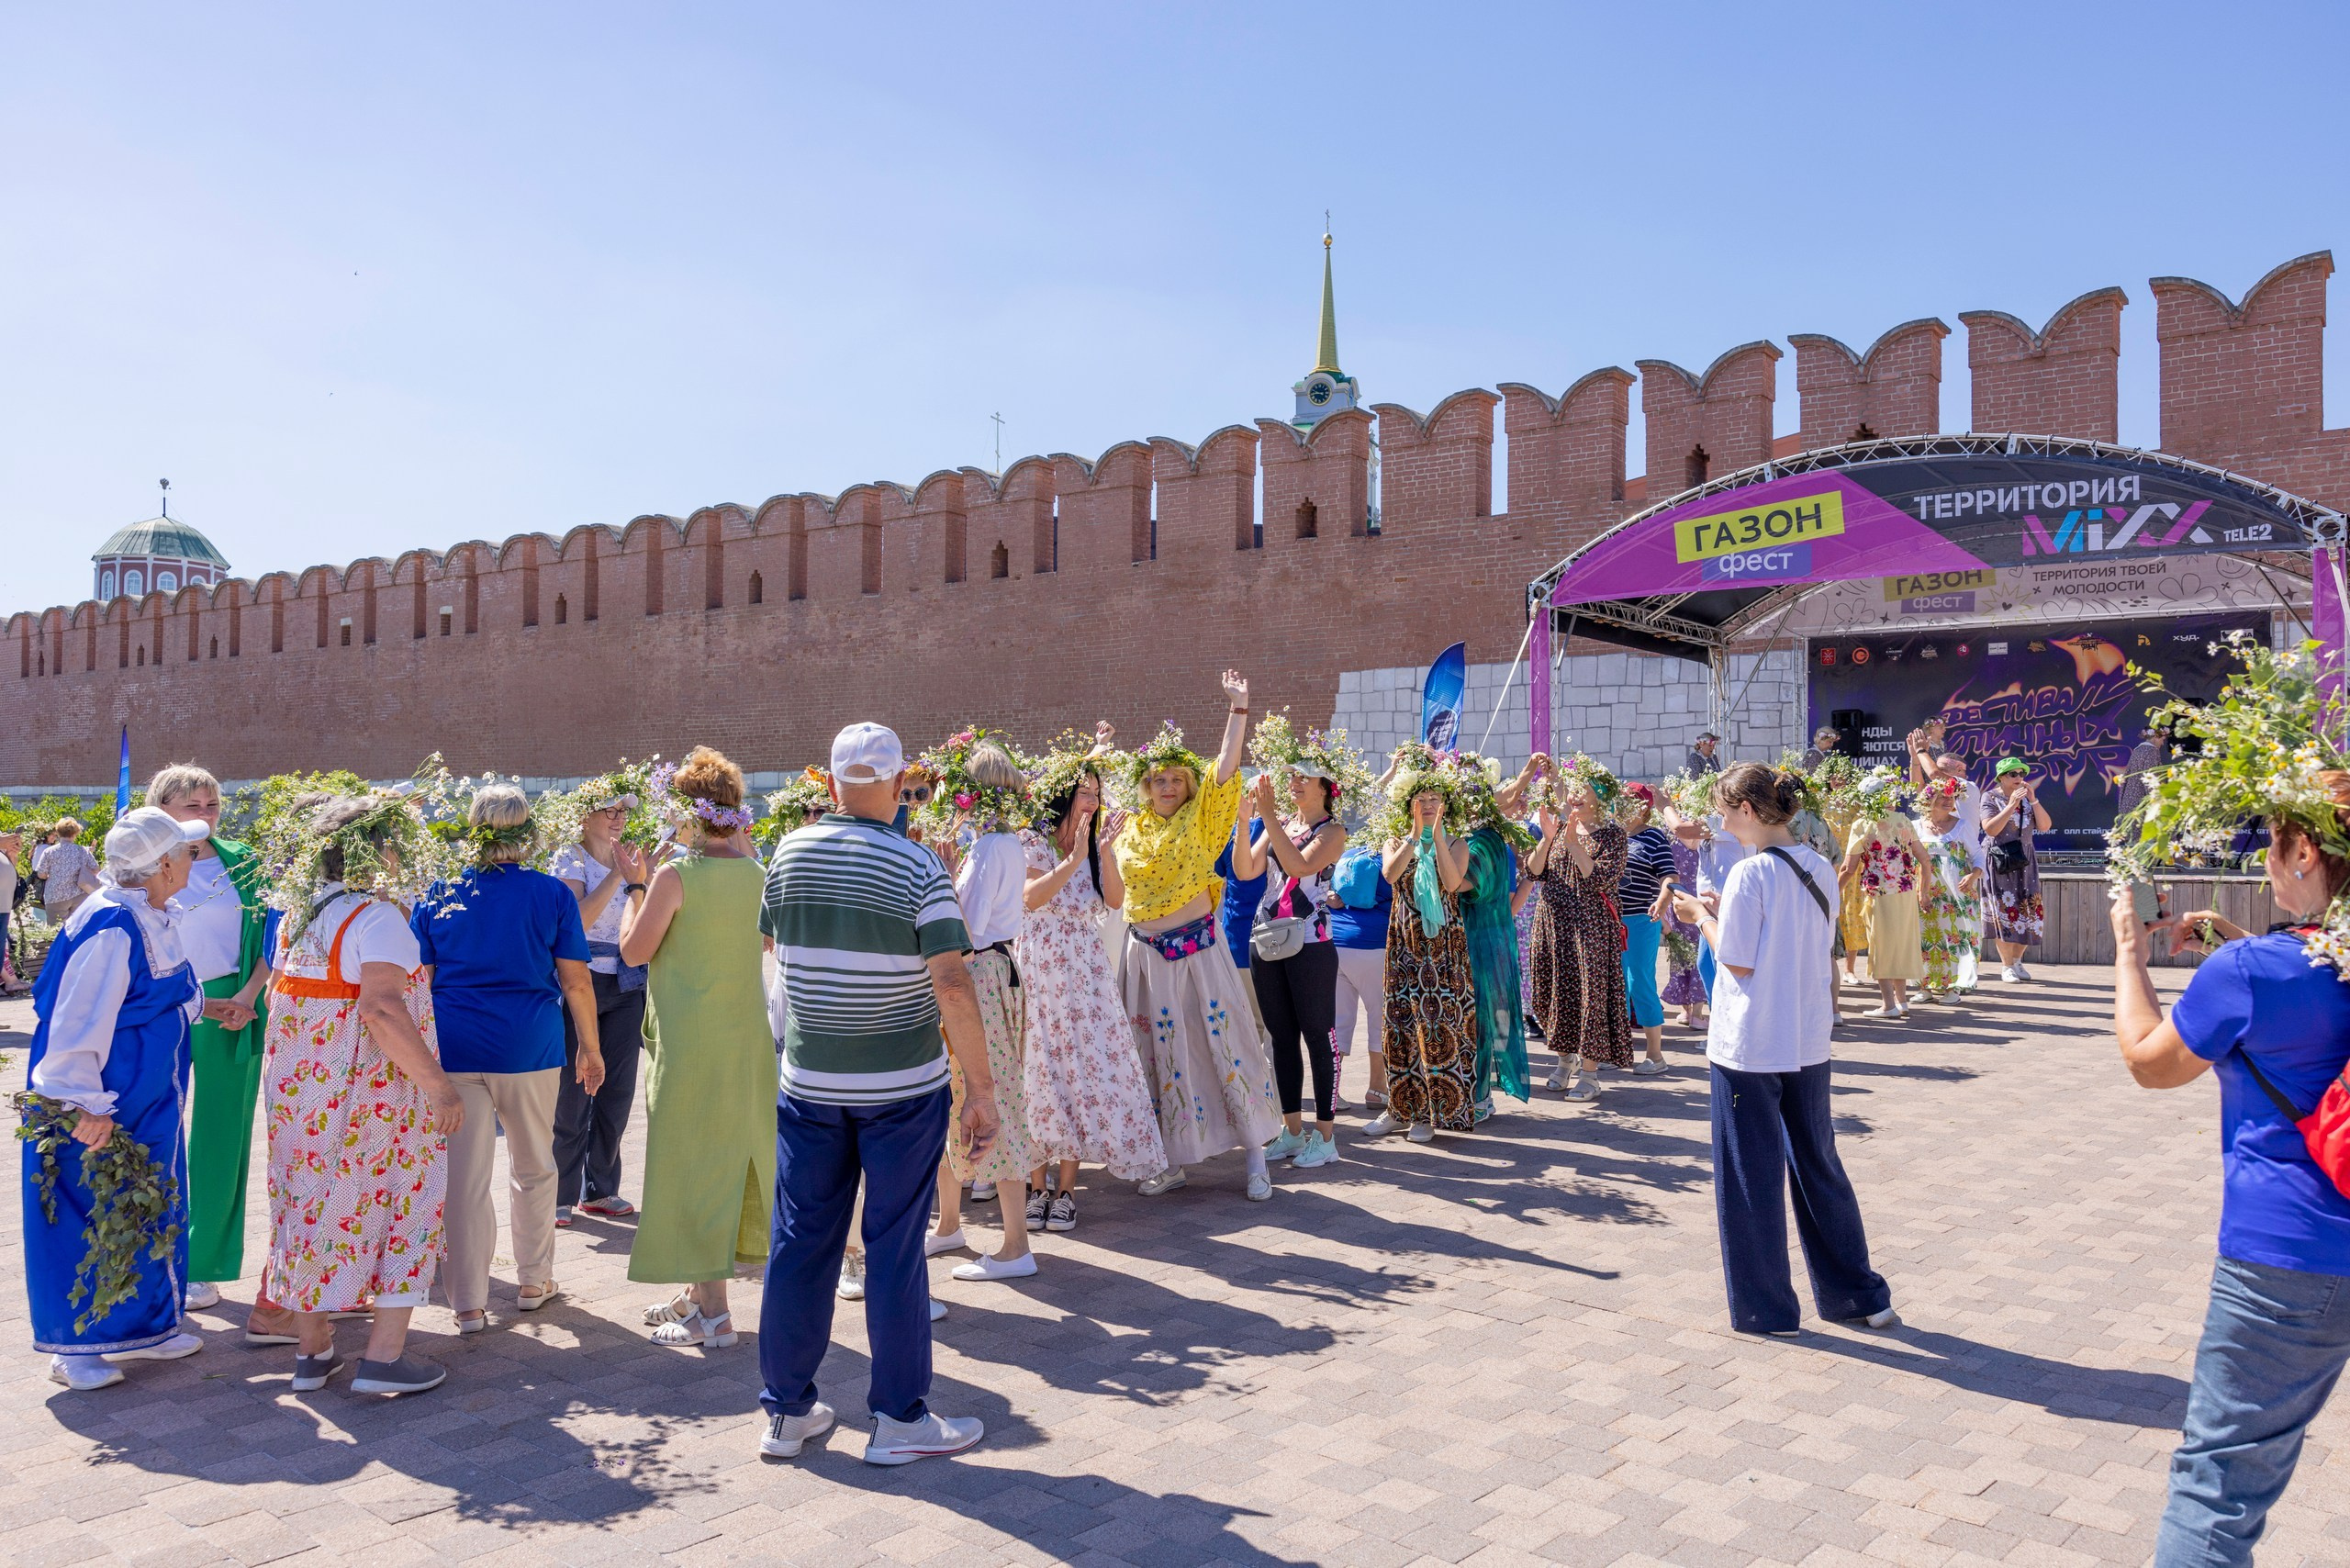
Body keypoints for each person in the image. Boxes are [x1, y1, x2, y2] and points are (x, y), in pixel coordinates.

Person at [2112, 790, 2350, 1565]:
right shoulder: (2282, 959)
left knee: (2219, 1484)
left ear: (2306, 855)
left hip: (2290, 1257)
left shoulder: (2252, 971)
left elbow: (2150, 1061)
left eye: (2274, 845)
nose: (2268, 861)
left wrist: (2129, 955)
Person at [756, 721, 999, 1465]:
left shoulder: (788, 854)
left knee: (801, 1241)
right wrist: (982, 1089)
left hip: (811, 1080)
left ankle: (787, 1410)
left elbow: (775, 945)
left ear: (830, 785)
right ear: (897, 787)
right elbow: (951, 981)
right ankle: (898, 1417)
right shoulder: (917, 866)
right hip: (900, 1085)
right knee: (894, 1246)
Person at [1671, 763, 1897, 1338]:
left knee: (1751, 1173)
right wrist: (1724, 912)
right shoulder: (1819, 865)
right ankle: (1860, 1296)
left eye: (1725, 810)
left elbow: (1739, 960)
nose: (1720, 820)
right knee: (1818, 1164)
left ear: (1748, 810)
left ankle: (1767, 1309)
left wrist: (1700, 917)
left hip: (1750, 1041)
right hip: (1805, 1037)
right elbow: (1799, 942)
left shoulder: (1751, 874)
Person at [262, 791, 463, 1396]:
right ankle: (383, 1358)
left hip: (302, 1097)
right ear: (383, 851)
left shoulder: (304, 914)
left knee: (305, 1208)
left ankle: (313, 1351)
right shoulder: (376, 918)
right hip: (373, 1097)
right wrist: (439, 1088)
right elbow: (379, 1007)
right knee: (407, 1202)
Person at [21, 807, 210, 1390]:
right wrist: (80, 1102)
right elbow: (74, 1021)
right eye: (185, 852)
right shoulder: (111, 926)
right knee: (90, 1206)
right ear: (158, 867)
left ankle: (146, 1327)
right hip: (105, 1096)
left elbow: (151, 996)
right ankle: (76, 1349)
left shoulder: (146, 913)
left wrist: (204, 1008)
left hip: (146, 1095)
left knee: (147, 1199)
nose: (193, 859)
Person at [410, 785, 602, 1331]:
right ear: (528, 832)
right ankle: (533, 1279)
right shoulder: (549, 894)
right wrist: (590, 1048)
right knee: (535, 1166)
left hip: (455, 1045)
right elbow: (577, 981)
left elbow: (422, 982)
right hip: (529, 1045)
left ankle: (468, 1301)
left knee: (463, 1176)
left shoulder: (440, 893)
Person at [619, 747, 777, 1350]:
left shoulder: (675, 877)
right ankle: (699, 1295)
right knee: (730, 1162)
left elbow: (633, 952)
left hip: (692, 1044)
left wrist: (636, 885)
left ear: (688, 812)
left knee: (694, 1166)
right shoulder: (758, 875)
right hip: (745, 1043)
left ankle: (714, 1315)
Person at [1114, 676, 1282, 1201]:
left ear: (1188, 784)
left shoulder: (1202, 820)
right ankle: (1169, 1158)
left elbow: (1226, 769)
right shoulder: (1131, 829)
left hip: (1198, 950)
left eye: (1176, 778)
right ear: (1146, 785)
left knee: (1223, 1043)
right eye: (1158, 779)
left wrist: (1239, 710)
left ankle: (1256, 1157)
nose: (1168, 786)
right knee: (1157, 1053)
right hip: (1144, 955)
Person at [141, 766, 277, 1320]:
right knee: (151, 1126)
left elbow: (274, 933)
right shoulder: (139, 859)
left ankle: (203, 1264)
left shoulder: (243, 859)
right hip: (156, 1006)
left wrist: (248, 996)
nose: (204, 814)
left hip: (233, 1005)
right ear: (162, 808)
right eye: (191, 805)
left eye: (213, 805)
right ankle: (150, 1255)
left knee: (222, 1134)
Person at [1015, 745, 1163, 1229]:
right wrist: (1074, 856)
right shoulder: (1032, 841)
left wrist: (1100, 853)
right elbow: (1032, 899)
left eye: (1097, 793)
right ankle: (1034, 1187)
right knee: (1034, 1070)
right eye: (1084, 793)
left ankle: (1065, 1190)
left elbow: (1115, 900)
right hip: (1039, 967)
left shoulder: (1098, 844)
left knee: (1078, 1069)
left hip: (1083, 973)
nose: (1093, 803)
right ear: (1063, 796)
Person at [926, 736, 1045, 1282]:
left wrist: (943, 883)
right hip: (991, 973)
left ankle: (1016, 1244)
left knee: (988, 1092)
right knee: (956, 1095)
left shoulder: (992, 846)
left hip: (979, 977)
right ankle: (950, 1223)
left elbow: (965, 927)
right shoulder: (1000, 843)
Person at [551, 775, 655, 1226]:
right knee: (573, 1093)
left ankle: (602, 1189)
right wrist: (620, 874)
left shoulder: (635, 853)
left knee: (617, 1091)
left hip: (627, 982)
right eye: (609, 810)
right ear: (585, 816)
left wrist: (641, 883)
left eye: (623, 811)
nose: (617, 818)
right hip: (580, 981)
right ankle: (560, 1192)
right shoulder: (569, 859)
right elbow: (574, 921)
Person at [1234, 766, 1347, 1168]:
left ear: (1326, 787)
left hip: (1312, 943)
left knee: (1319, 1037)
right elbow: (1246, 870)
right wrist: (1248, 819)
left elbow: (1300, 867)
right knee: (1281, 1038)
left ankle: (1326, 1137)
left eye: (1305, 778)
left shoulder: (1333, 831)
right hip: (1266, 937)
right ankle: (1293, 1131)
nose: (1294, 784)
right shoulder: (1278, 823)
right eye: (1292, 778)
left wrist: (1267, 818)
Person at [1366, 762, 1478, 1142]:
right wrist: (1415, 837)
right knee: (1399, 1028)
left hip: (1443, 951)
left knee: (1436, 1029)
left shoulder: (1458, 844)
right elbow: (1391, 876)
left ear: (1446, 804)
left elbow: (1451, 882)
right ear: (1408, 804)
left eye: (1435, 799)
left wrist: (1438, 838)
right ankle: (1399, 1107)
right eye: (1421, 799)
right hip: (1404, 947)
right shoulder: (1395, 841)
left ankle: (1429, 1115)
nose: (1428, 805)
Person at [1528, 765, 1631, 1102]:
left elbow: (1598, 877)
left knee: (1588, 997)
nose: (1572, 796)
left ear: (1599, 795)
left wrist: (1573, 844)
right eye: (1570, 790)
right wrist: (1547, 839)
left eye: (1581, 790)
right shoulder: (1559, 827)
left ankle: (1589, 1075)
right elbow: (1533, 871)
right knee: (1555, 993)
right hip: (1553, 924)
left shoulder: (1613, 833)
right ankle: (1564, 1059)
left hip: (1589, 927)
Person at [1841, 772, 1926, 1021]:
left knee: (1881, 947)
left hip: (1879, 892)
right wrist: (1923, 888)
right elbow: (1924, 858)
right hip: (1906, 891)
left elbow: (1848, 868)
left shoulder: (1863, 824)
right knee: (1901, 943)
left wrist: (1832, 892)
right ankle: (1902, 1001)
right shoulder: (1903, 820)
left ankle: (1888, 1004)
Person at [1326, 841, 1391, 1112]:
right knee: (1379, 1018)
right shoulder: (1393, 856)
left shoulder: (1350, 854)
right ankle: (1377, 1090)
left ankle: (1330, 1092)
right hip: (1373, 945)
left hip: (1335, 943)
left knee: (1338, 1021)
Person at [1617, 782, 1673, 1075]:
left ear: (1643, 807)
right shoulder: (1612, 836)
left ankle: (1655, 1055)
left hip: (1641, 921)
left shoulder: (1653, 838)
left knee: (1640, 984)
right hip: (1611, 921)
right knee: (1615, 987)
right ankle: (1619, 1051)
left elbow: (1671, 877)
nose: (1618, 808)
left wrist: (1663, 900)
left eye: (1626, 802)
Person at [1913, 778, 1982, 1002]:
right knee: (1924, 936)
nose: (1947, 801)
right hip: (1924, 891)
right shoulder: (1915, 827)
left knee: (1955, 936)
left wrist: (1973, 875)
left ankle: (1953, 987)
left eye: (1951, 797)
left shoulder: (1962, 826)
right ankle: (1925, 986)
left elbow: (1978, 856)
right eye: (1942, 796)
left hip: (1957, 892)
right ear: (1929, 798)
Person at [1983, 757, 2050, 981]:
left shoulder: (2027, 799)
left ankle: (2018, 962)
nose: (2019, 778)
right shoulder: (1990, 797)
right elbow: (1990, 829)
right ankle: (2006, 966)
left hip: (2025, 859)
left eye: (2021, 774)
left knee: (2029, 912)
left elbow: (2045, 826)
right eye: (2013, 774)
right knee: (2004, 911)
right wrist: (2011, 804)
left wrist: (2034, 799)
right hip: (2001, 859)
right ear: (2001, 777)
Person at [1660, 813, 1707, 1028]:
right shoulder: (1698, 827)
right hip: (1697, 900)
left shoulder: (1670, 832)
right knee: (1697, 952)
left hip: (1676, 899)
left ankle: (1687, 1011)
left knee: (1680, 954)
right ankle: (1696, 1013)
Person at [40, 817, 101, 926]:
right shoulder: (82, 850)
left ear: (58, 833)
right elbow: (96, 869)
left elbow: (41, 874)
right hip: (80, 894)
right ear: (74, 834)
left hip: (55, 896)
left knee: (56, 932)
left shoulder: (49, 852)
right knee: (78, 928)